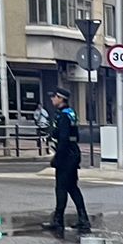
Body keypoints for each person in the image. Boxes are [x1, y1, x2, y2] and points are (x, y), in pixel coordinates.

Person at [40, 88, 89, 234]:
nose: (52, 99)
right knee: (72, 187)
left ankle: (58, 220)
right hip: (73, 154)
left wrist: (57, 158)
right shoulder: (70, 113)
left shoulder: (63, 116)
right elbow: (74, 136)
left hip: (66, 156)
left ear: (61, 98)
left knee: (61, 187)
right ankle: (83, 218)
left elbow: (63, 138)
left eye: (54, 96)